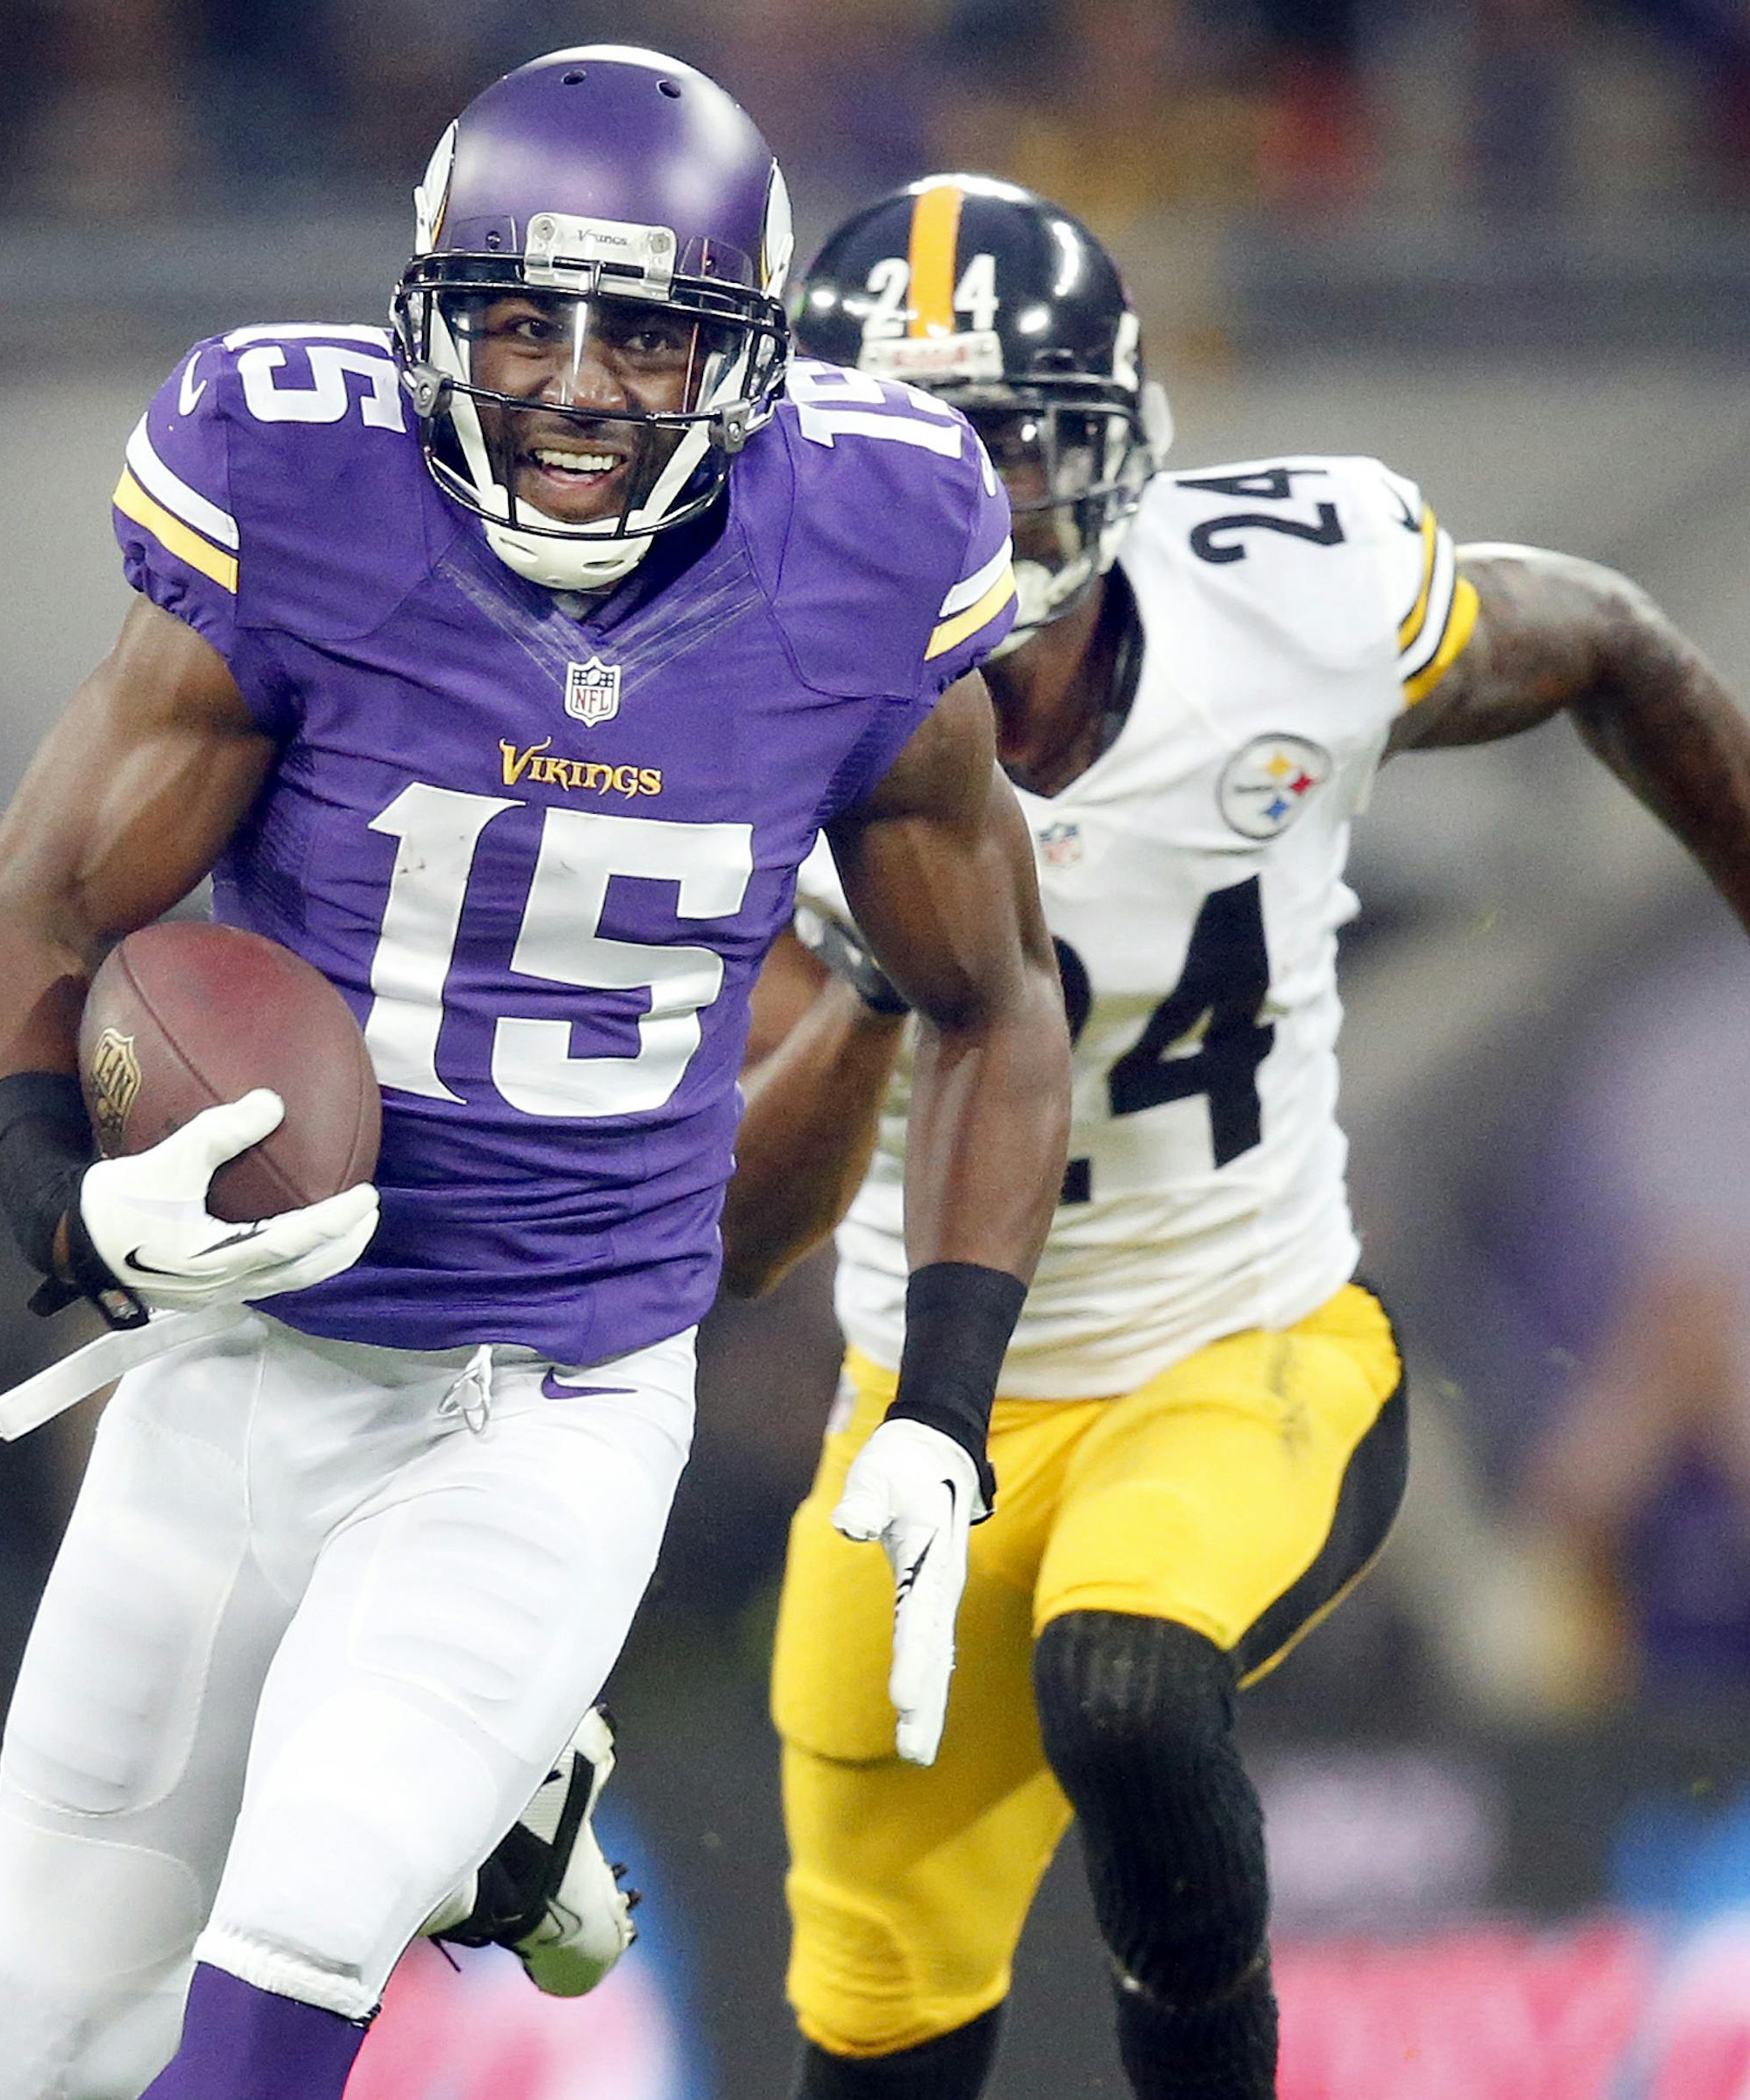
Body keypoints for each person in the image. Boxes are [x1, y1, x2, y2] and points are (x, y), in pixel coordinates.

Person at [0, 63, 1071, 2100]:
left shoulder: (871, 551)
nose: (569, 383)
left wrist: (944, 1415)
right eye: (520, 319)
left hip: (540, 1407)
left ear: (750, 359)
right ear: (426, 316)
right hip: (236, 1363)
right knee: (41, 2035)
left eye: (644, 330)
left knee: (291, 1947)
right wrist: (61, 1196)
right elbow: (21, 918)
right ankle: (510, 1802)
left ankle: (467, 1785)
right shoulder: (299, 493)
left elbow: (991, 995)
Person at [730, 172, 1750, 2100]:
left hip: (1243, 1351)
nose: (962, 503)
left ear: (1112, 448)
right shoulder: (741, 724)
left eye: (1008, 445)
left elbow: (1611, 640)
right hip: (923, 1420)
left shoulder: (1289, 598)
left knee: (1126, 1677)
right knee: (873, 2030)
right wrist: (868, 988)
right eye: (909, 453)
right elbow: (729, 1236)